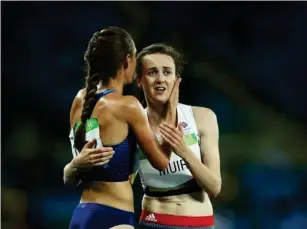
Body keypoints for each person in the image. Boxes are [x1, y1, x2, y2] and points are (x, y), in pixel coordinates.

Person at [63, 27, 177, 229]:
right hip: (114, 217)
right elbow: (162, 163)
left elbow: (70, 178)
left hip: (82, 215)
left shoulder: (80, 100)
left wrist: (73, 165)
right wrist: (170, 109)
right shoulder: (128, 106)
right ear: (127, 61)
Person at [134, 43, 222, 229]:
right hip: (153, 222)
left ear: (177, 79)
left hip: (198, 222)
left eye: (167, 72)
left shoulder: (202, 117)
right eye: (152, 72)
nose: (160, 79)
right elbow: (122, 183)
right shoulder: (132, 124)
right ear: (139, 80)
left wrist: (184, 152)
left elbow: (214, 187)